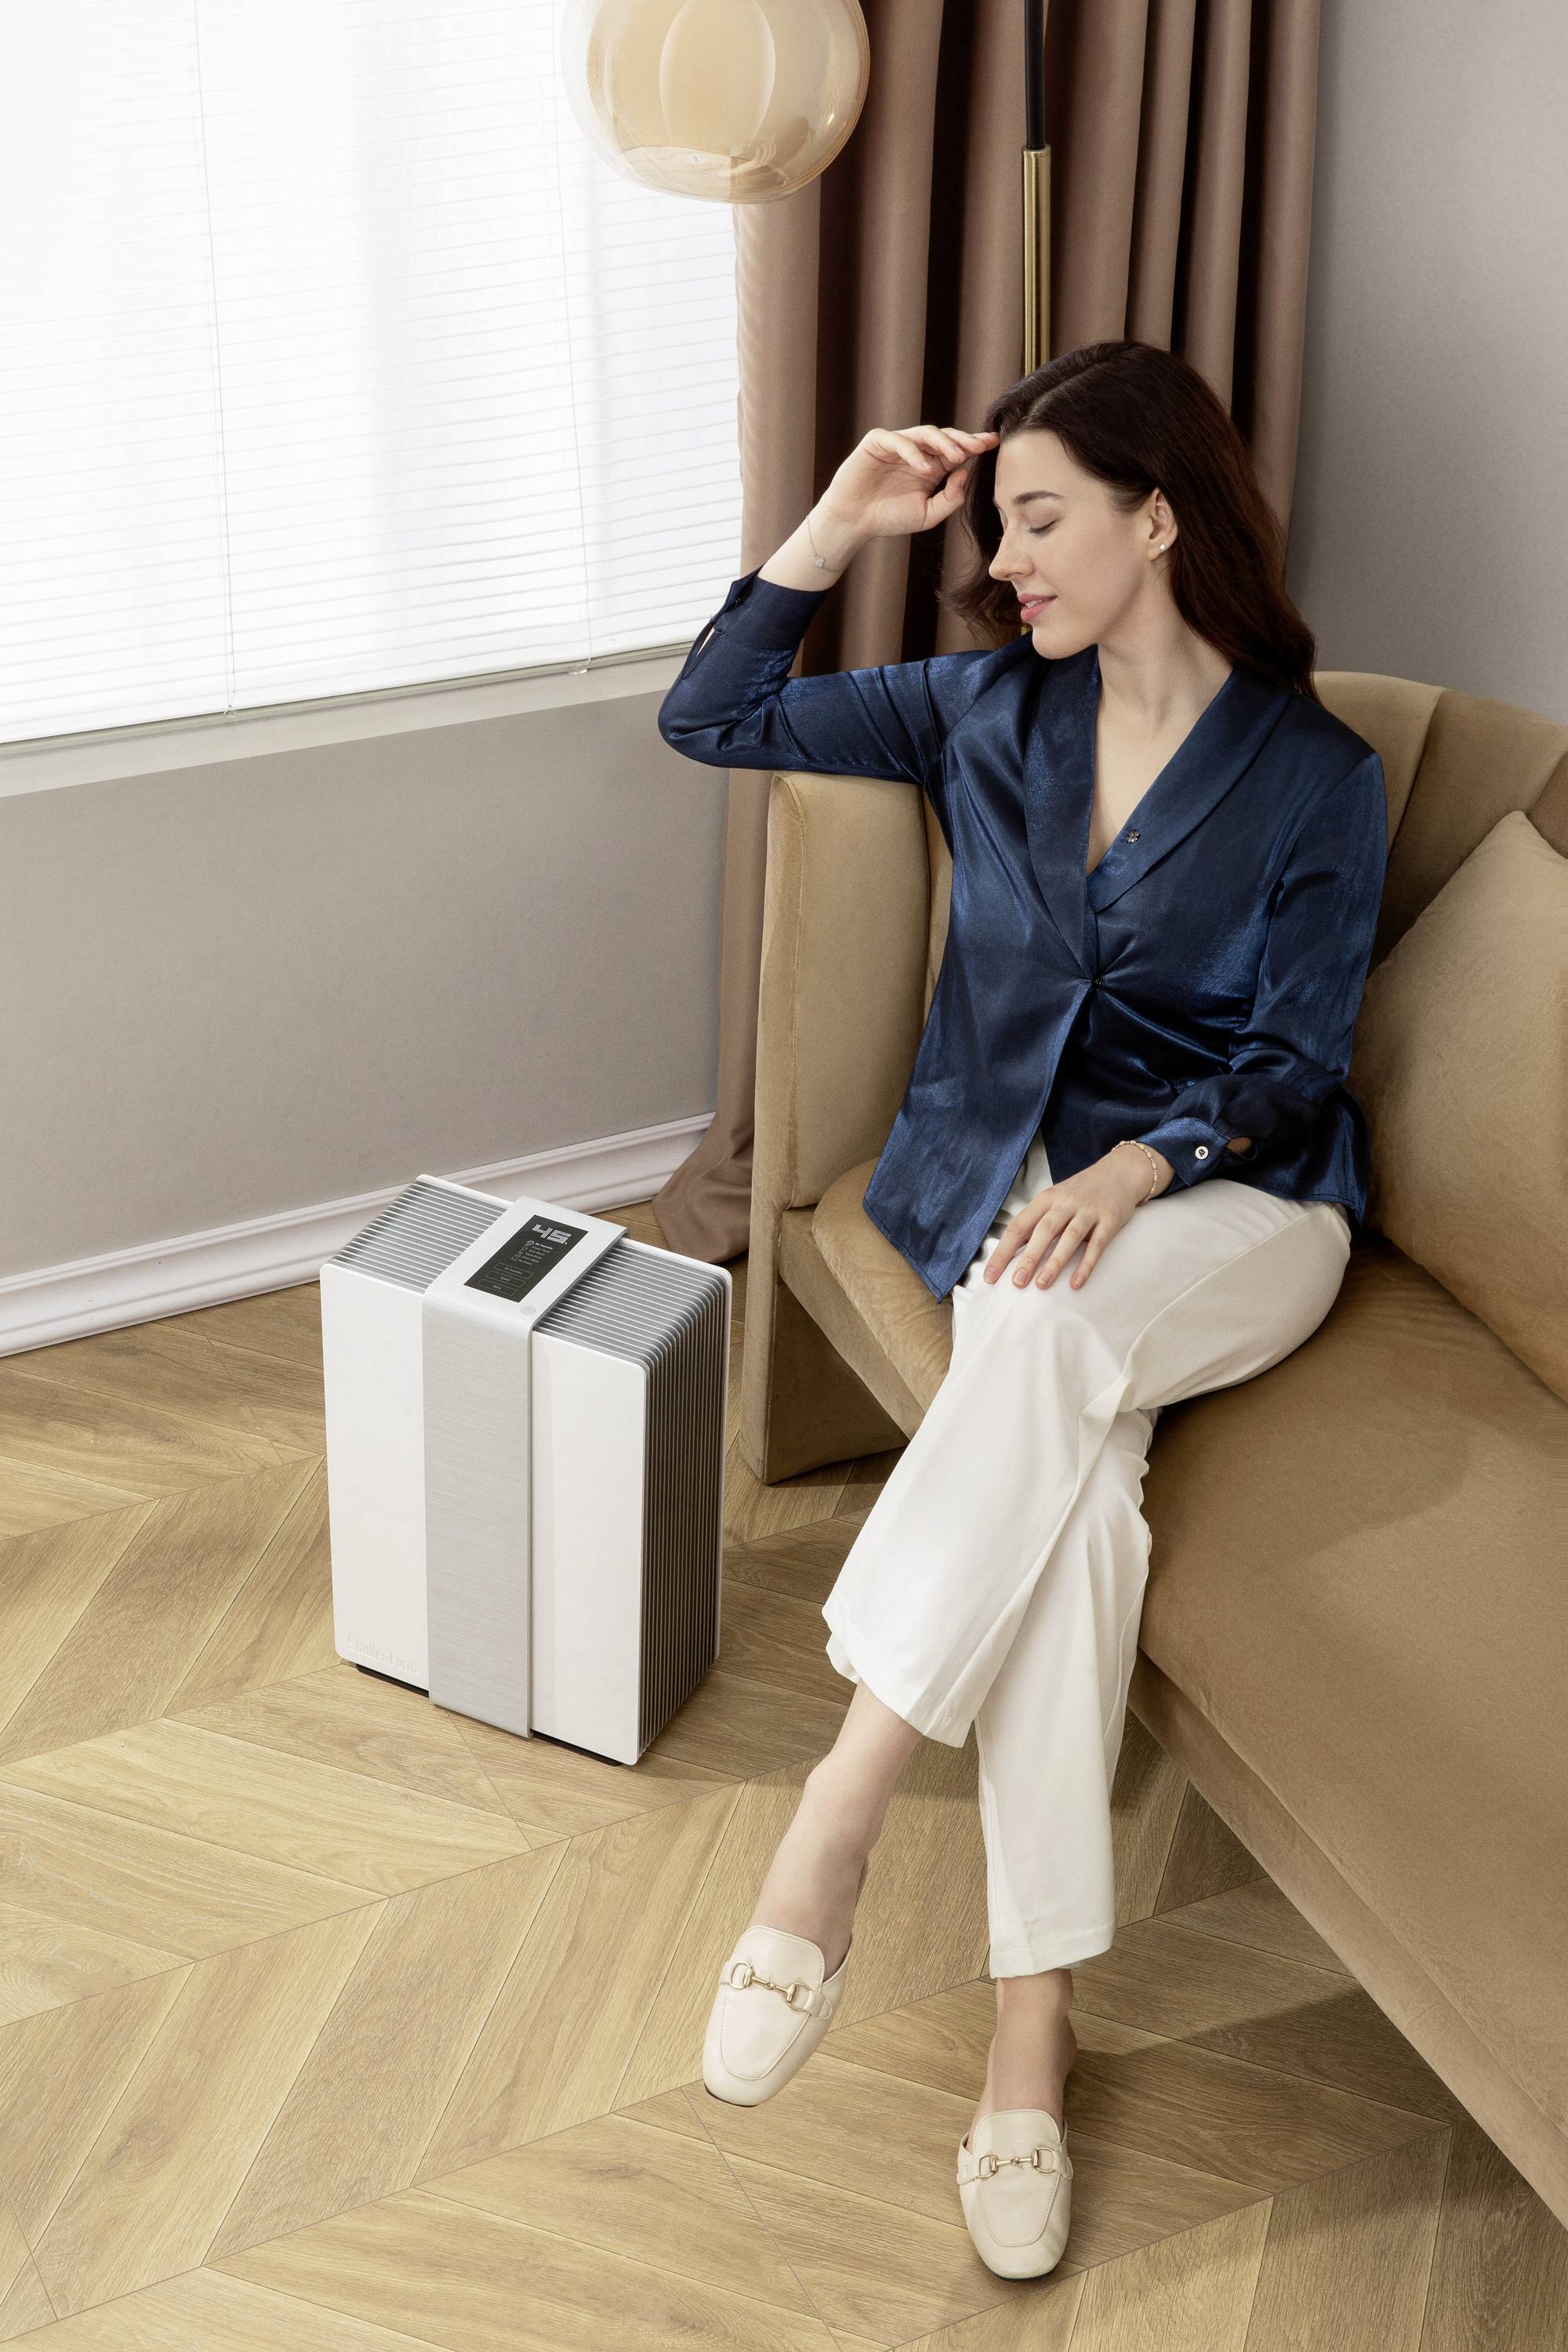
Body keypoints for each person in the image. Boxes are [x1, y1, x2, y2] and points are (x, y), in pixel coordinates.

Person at [657, 340, 1388, 2278]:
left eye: (1043, 519)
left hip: (1237, 1210)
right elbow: (711, 719)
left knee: (1050, 1327)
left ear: (1163, 515)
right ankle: (1031, 2039)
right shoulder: (983, 714)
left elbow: (1301, 1057)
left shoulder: (1315, 774)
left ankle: (837, 1810)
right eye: (998, 527)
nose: (1008, 563)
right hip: (1005, 1216)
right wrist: (837, 519)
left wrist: (1144, 1165)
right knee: (1068, 1470)